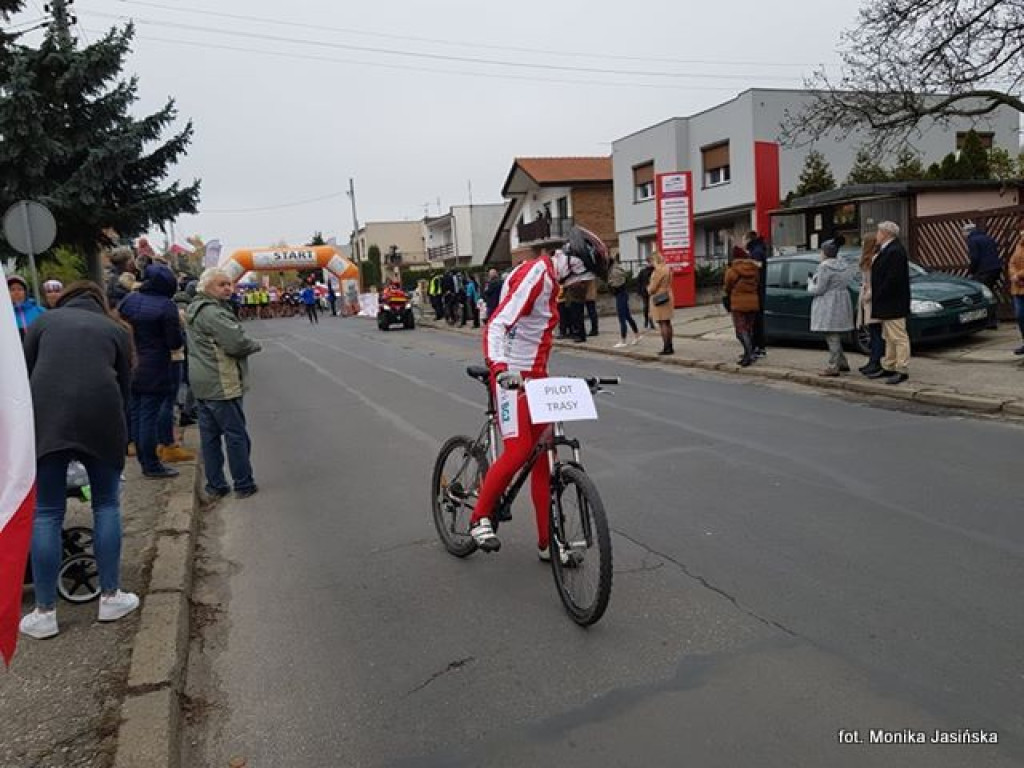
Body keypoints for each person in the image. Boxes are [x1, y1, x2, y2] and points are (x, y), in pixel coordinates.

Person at [19, 281, 139, 639]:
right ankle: (111, 596)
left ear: (65, 299)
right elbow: (126, 387)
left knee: (47, 512)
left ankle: (44, 612)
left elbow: (26, 374)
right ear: (99, 302)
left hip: (48, 422)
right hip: (101, 419)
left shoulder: (42, 323)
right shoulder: (115, 329)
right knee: (106, 505)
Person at [468, 240, 587, 557]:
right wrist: (499, 368)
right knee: (519, 451)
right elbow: (498, 322)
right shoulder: (538, 275)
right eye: (584, 275)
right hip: (511, 376)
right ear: (574, 265)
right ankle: (479, 518)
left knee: (544, 459)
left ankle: (548, 543)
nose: (583, 283)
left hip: (536, 378)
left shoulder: (552, 281)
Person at [186, 268, 262, 500]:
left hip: (201, 382)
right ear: (207, 287)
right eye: (221, 284)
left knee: (209, 438)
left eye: (229, 284)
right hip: (221, 381)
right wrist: (254, 345)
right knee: (236, 435)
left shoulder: (194, 309)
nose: (228, 288)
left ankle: (216, 484)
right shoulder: (213, 313)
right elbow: (236, 343)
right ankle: (243, 483)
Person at [118, 263, 184, 478]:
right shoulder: (166, 306)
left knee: (136, 414)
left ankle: (142, 457)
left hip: (130, 363)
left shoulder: (129, 300)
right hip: (156, 365)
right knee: (149, 416)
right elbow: (174, 342)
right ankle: (151, 464)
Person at [868, 221, 911, 385]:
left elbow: (893, 278)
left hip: (893, 302)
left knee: (898, 337)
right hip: (886, 302)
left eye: (879, 232)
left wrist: (880, 293)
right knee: (888, 336)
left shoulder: (895, 251)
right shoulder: (887, 249)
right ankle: (889, 365)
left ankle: (902, 368)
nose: (877, 235)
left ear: (886, 233)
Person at [808, 239, 855, 376]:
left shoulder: (824, 267)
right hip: (842, 299)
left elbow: (820, 289)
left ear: (825, 253)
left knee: (831, 334)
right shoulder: (844, 264)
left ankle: (833, 365)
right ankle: (842, 362)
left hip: (828, 302)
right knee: (835, 333)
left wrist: (810, 285)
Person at [723, 245, 761, 366]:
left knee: (740, 331)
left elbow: (727, 286)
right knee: (749, 329)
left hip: (738, 304)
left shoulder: (732, 271)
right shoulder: (754, 269)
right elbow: (758, 283)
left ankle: (748, 354)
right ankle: (748, 353)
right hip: (753, 302)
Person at [857, 236, 885, 375]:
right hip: (868, 298)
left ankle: (876, 361)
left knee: (876, 332)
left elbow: (875, 282)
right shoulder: (868, 261)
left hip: (872, 299)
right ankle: (872, 360)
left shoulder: (874, 261)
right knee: (872, 332)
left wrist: (867, 295)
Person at [744, 231, 768, 357]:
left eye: (744, 240)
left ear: (749, 240)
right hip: (758, 289)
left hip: (757, 290)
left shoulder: (756, 251)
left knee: (756, 321)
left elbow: (759, 265)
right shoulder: (757, 249)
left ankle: (758, 348)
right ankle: (757, 347)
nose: (743, 243)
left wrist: (747, 263)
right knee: (756, 321)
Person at [607, 255, 640, 347]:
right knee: (628, 316)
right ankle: (637, 335)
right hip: (623, 294)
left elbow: (616, 285)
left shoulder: (614, 271)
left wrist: (610, 284)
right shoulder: (616, 269)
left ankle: (623, 340)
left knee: (622, 317)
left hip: (620, 295)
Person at [647, 251, 674, 355]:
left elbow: (653, 288)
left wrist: (648, 289)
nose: (650, 263)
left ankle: (666, 347)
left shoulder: (658, 271)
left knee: (662, 323)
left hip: (659, 297)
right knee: (667, 322)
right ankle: (670, 346)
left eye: (651, 261)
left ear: (655, 260)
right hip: (668, 295)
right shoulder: (667, 268)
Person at [964, 222, 1002, 292]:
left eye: (963, 232)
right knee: (988, 289)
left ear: (967, 232)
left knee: (978, 290)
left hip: (985, 270)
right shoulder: (987, 237)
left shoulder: (972, 240)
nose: (963, 235)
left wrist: (971, 270)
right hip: (996, 268)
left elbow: (975, 257)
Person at [7, 274, 45, 340]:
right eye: (12, 290)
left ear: (25, 292)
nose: (16, 292)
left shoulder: (40, 311)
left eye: (20, 289)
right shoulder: (4, 314)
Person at [1008, 222, 1024, 356]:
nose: (1022, 232)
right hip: (1018, 288)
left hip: (1020, 280)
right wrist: (1013, 275)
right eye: (1021, 230)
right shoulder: (1019, 245)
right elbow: (1012, 262)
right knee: (1020, 316)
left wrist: (1018, 275)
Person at [636, 260, 654, 331]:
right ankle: (646, 320)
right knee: (646, 307)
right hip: (645, 292)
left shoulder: (655, 271)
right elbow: (639, 281)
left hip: (653, 291)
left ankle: (651, 322)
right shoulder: (643, 271)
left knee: (651, 308)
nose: (650, 264)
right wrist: (639, 292)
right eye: (648, 262)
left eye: (651, 262)